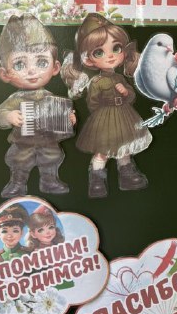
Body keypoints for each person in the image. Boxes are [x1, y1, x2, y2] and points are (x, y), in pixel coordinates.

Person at [62, 14, 152, 198]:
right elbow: (92, 103)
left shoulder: (119, 77)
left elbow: (131, 96)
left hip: (125, 115)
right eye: (99, 52)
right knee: (103, 151)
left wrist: (125, 93)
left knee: (124, 147)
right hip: (104, 118)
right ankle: (97, 179)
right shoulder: (96, 82)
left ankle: (127, 174)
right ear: (88, 59)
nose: (110, 56)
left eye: (116, 48)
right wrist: (104, 108)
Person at [0, 15, 75, 198]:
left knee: (51, 158)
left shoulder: (51, 98)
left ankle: (50, 181)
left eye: (41, 62)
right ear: (5, 74)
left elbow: (61, 118)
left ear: (55, 68)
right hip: (23, 142)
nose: (31, 70)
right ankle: (17, 183)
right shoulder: (17, 98)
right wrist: (9, 116)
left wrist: (70, 120)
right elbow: (0, 114)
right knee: (20, 161)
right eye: (19, 64)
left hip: (48, 141)